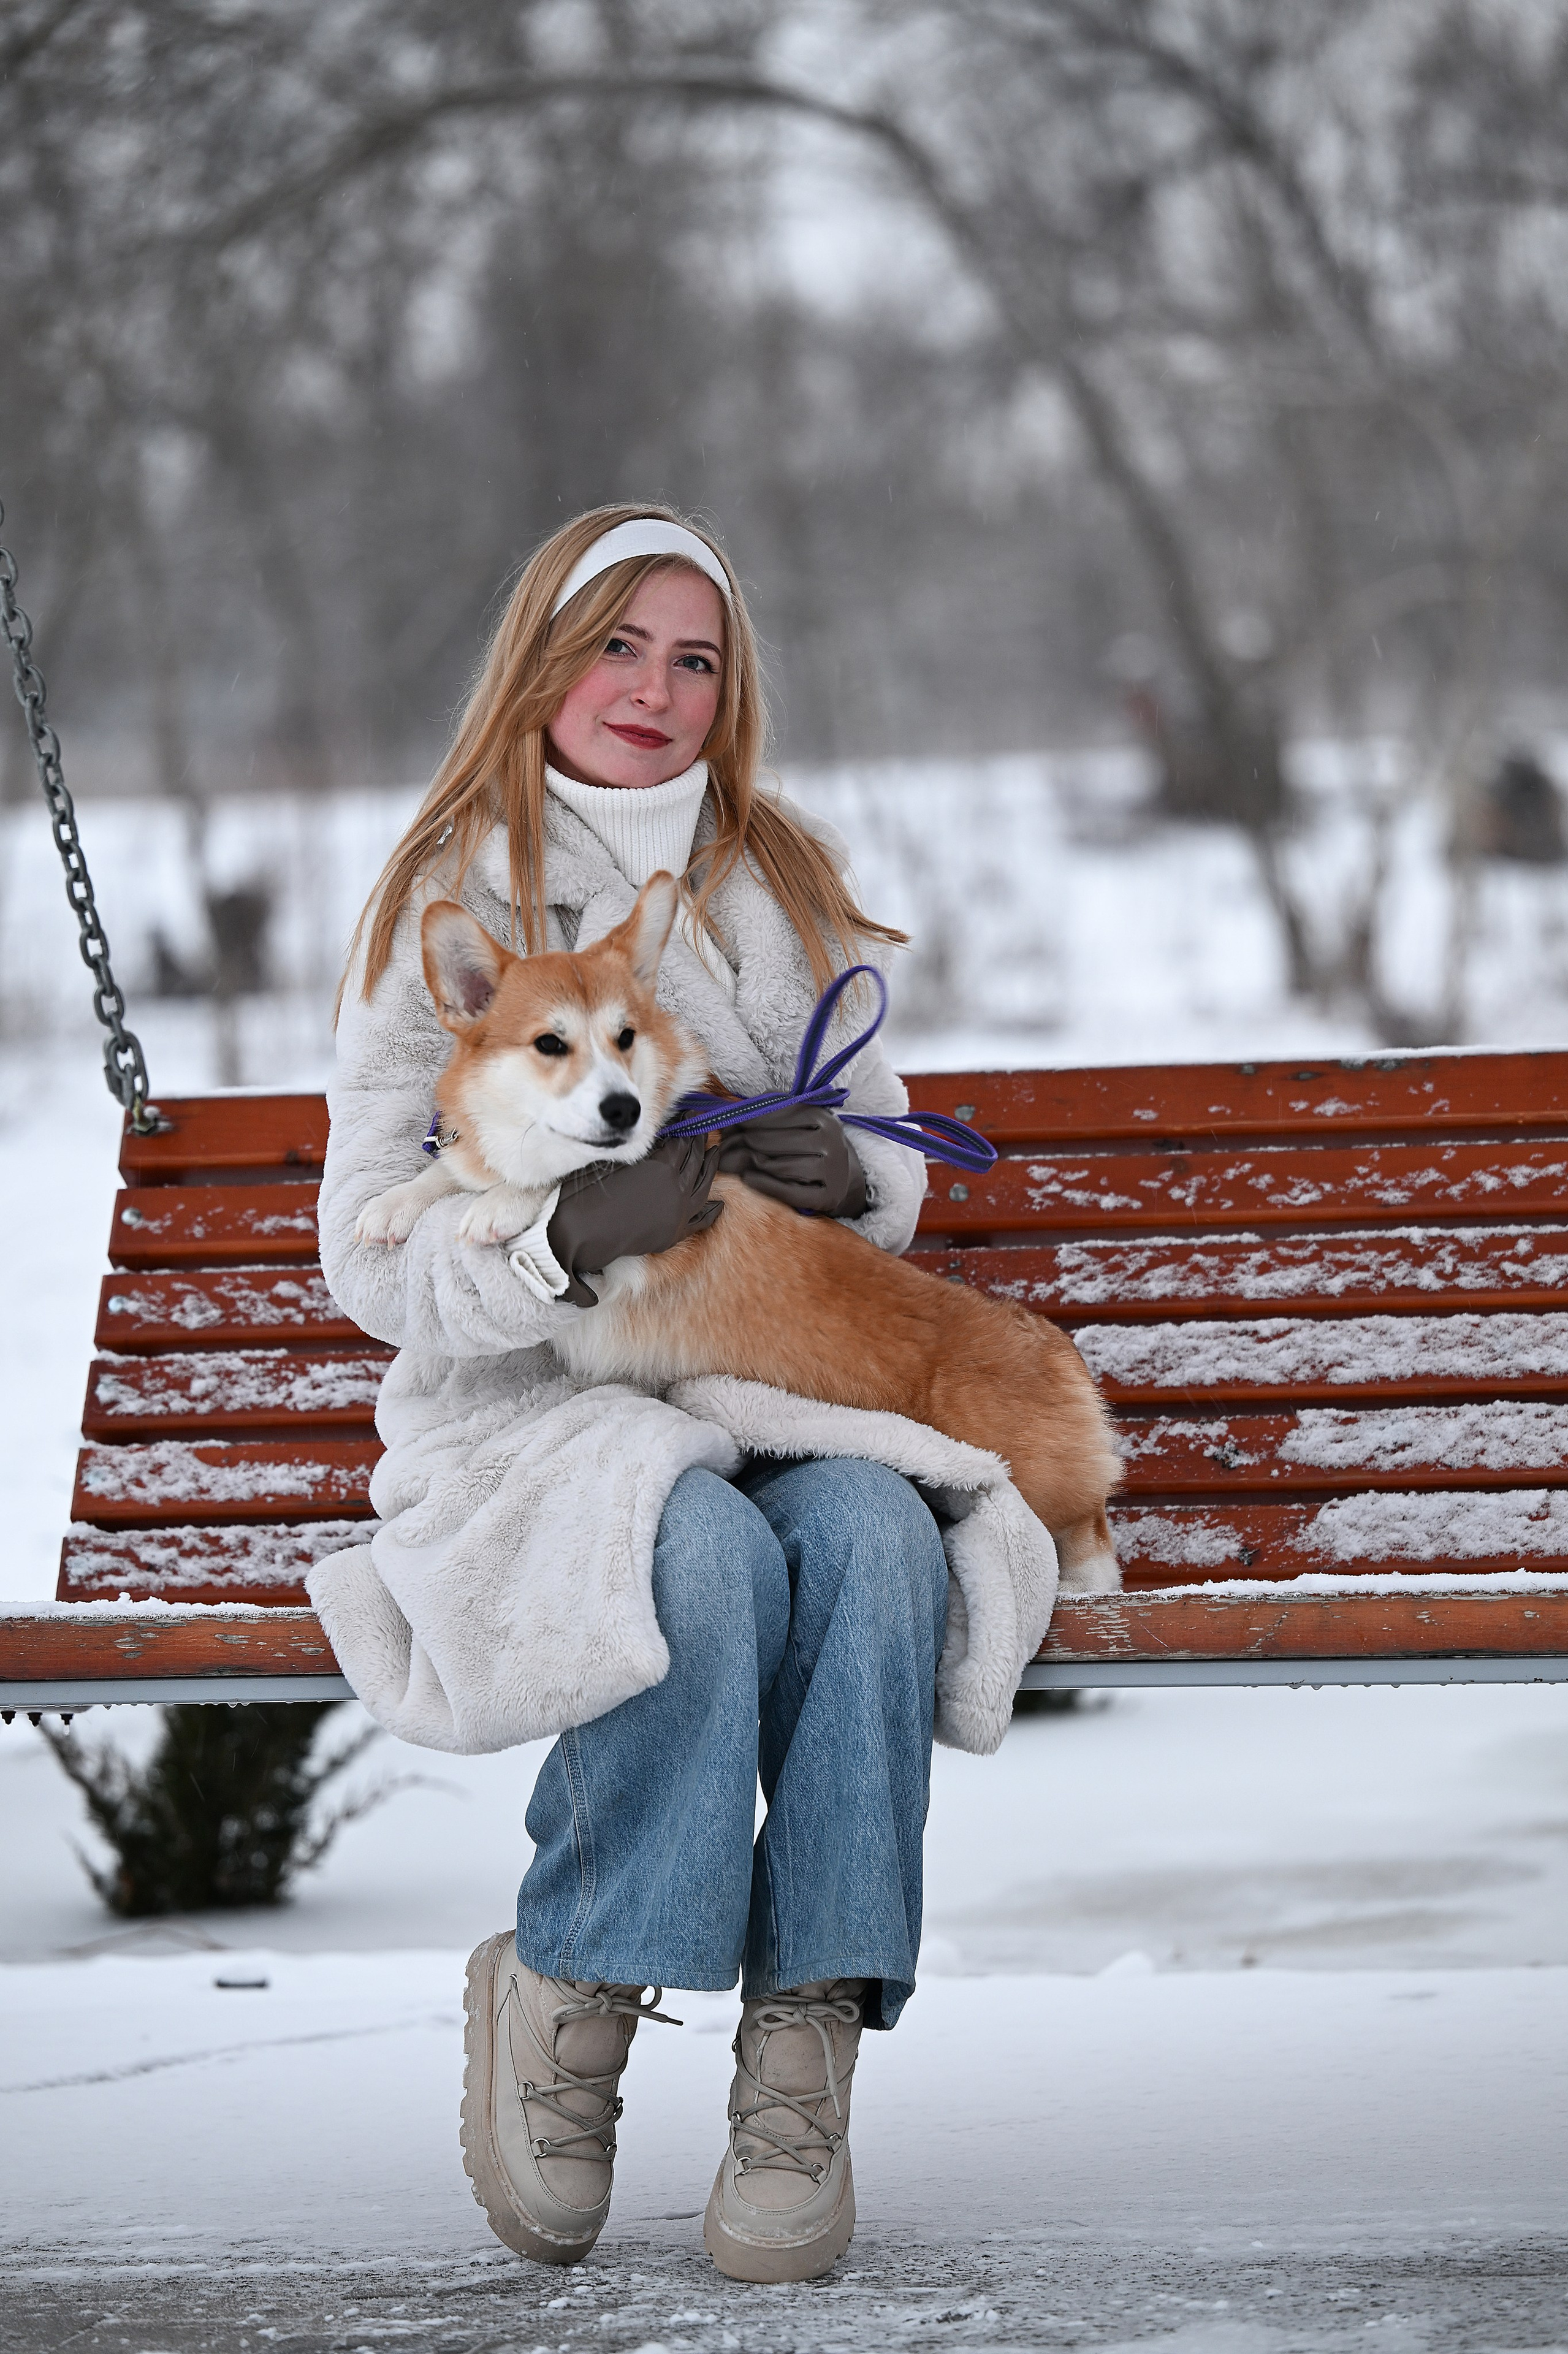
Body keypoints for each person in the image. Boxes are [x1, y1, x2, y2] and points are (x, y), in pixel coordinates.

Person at [316, 506, 960, 2284]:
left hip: (785, 1379)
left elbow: (890, 1143)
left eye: (695, 659)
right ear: (550, 651)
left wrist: (854, 1178)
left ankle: (804, 2056)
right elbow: (365, 1259)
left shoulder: (784, 883)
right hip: (548, 1416)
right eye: (619, 646)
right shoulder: (453, 894)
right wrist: (552, 1246)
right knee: (695, 1555)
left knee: (878, 1544)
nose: (655, 691)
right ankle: (577, 1980)